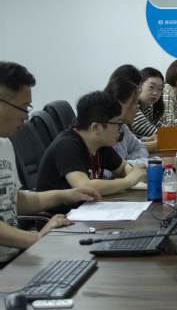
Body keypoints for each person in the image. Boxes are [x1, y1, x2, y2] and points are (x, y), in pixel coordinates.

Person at [0, 62, 101, 266]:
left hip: (13, 258)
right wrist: (36, 238)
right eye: (22, 108)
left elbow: (13, 200)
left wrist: (64, 195)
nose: (26, 117)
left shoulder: (5, 143)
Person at [36, 91, 148, 207]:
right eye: (117, 124)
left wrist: (134, 171)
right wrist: (128, 181)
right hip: (60, 216)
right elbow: (84, 187)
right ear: (96, 127)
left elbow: (122, 167)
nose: (120, 130)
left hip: (87, 210)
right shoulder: (67, 145)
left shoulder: (100, 143)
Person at [104, 77, 153, 160]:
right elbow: (112, 167)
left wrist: (126, 162)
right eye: (135, 103)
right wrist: (125, 164)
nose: (137, 109)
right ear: (119, 103)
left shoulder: (123, 126)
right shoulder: (104, 129)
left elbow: (141, 148)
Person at [132, 67, 165, 139]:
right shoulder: (132, 109)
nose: (155, 93)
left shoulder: (148, 106)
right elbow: (157, 133)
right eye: (151, 87)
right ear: (139, 85)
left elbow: (162, 127)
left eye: (160, 89)